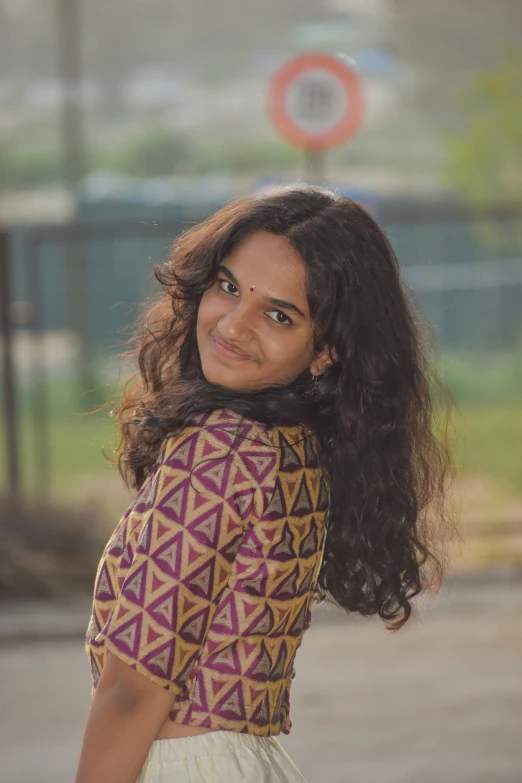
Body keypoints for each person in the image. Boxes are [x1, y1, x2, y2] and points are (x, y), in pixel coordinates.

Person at [76, 185, 457, 783]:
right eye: (228, 286)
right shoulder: (292, 444)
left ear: (327, 349)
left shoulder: (221, 449)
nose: (233, 324)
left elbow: (133, 688)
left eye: (278, 314)